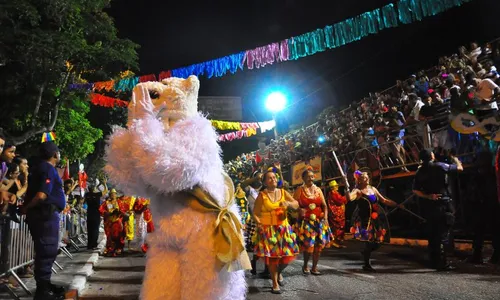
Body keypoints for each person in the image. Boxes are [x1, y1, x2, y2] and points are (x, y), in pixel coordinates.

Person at [22, 142, 66, 300]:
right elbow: (41, 195)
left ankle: (45, 285)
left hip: (43, 215)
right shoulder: (47, 169)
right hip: (45, 215)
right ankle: (42, 291)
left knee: (46, 250)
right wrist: (27, 208)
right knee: (46, 251)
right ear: (55, 155)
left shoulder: (39, 168)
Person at [412, 149, 463, 270]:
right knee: (443, 235)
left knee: (432, 234)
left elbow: (415, 190)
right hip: (442, 203)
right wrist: (455, 159)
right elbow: (459, 168)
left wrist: (428, 196)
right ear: (432, 156)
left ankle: (433, 261)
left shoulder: (419, 171)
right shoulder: (440, 166)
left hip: (429, 205)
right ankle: (442, 263)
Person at [252, 170, 299, 294]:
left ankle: (278, 273)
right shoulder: (262, 195)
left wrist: (288, 203)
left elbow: (296, 204)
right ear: (265, 182)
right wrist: (260, 224)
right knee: (273, 258)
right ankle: (274, 282)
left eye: (274, 177)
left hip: (284, 229)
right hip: (269, 230)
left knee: (287, 255)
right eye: (269, 178)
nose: (273, 179)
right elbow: (255, 214)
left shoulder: (283, 192)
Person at [348, 170, 400, 271]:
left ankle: (365, 252)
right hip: (365, 220)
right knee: (369, 241)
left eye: (367, 177)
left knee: (378, 241)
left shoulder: (373, 189)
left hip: (375, 219)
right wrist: (347, 191)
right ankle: (367, 264)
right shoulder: (357, 191)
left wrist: (396, 204)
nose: (367, 178)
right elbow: (350, 198)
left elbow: (384, 200)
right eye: (364, 177)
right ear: (359, 180)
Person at [294, 169, 333, 275]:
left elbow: (324, 206)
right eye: (308, 176)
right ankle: (306, 264)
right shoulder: (299, 190)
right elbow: (293, 205)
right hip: (306, 223)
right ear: (303, 178)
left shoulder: (318, 190)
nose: (310, 178)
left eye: (312, 176)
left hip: (319, 222)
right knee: (308, 246)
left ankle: (314, 268)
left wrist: (325, 218)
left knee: (319, 247)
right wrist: (299, 210)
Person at [99, 189, 127, 256]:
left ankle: (118, 249)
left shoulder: (119, 202)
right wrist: (107, 213)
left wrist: (120, 212)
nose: (113, 195)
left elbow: (123, 210)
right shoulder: (106, 202)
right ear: (109, 195)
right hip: (109, 222)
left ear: (116, 194)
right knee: (110, 237)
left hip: (117, 222)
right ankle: (110, 249)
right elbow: (101, 210)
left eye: (114, 194)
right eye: (111, 194)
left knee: (119, 236)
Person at [85, 179, 108, 250]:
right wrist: (104, 184)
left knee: (90, 229)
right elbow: (105, 191)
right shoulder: (97, 194)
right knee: (95, 230)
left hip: (89, 214)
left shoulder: (87, 195)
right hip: (96, 214)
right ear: (94, 188)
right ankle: (94, 244)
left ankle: (89, 245)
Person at [327, 180, 347, 248]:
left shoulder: (332, 193)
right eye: (336, 186)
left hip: (337, 213)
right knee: (338, 227)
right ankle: (336, 242)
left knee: (336, 227)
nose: (337, 187)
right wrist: (346, 196)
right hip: (337, 214)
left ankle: (336, 242)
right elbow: (340, 201)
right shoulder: (333, 193)